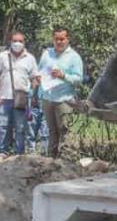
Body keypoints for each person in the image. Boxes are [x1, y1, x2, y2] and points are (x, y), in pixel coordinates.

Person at [35, 27, 84, 159]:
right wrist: (38, 78)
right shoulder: (47, 53)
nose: (59, 42)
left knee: (64, 130)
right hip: (47, 97)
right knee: (51, 130)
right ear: (53, 39)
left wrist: (64, 76)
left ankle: (67, 158)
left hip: (64, 99)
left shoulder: (74, 57)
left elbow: (79, 79)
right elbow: (39, 71)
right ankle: (52, 158)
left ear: (67, 39)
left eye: (62, 39)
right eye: (57, 39)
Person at [0, 30, 38, 155]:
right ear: (10, 42)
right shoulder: (2, 56)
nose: (17, 43)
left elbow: (34, 78)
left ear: (24, 43)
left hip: (22, 98)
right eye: (15, 41)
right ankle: (2, 151)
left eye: (20, 41)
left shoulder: (30, 58)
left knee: (20, 127)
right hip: (4, 97)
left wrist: (34, 95)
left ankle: (19, 152)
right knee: (3, 126)